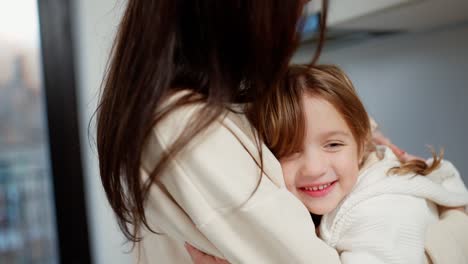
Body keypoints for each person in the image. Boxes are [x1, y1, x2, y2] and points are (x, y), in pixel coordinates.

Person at [95, 1, 468, 263]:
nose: (299, 16)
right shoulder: (186, 129)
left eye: (335, 143)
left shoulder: (379, 204)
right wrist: (457, 228)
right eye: (285, 151)